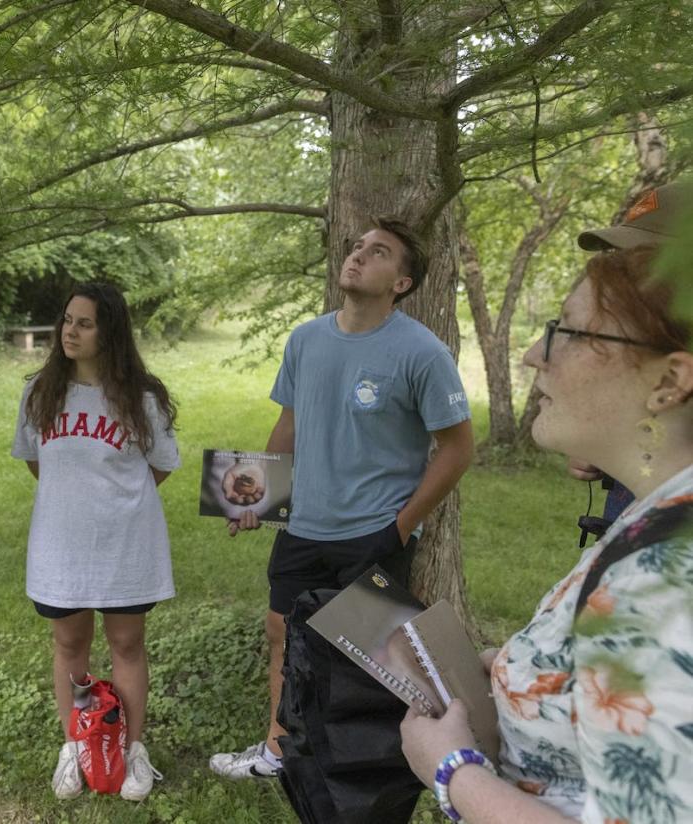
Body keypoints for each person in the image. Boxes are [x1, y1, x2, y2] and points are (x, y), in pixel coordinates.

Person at [401, 238, 693, 822]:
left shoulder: (661, 580)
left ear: (669, 382)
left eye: (570, 332)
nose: (535, 354)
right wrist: (534, 673)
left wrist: (453, 771)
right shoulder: (660, 515)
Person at [210, 216, 475, 780]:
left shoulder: (421, 353)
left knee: (370, 657)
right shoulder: (307, 339)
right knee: (282, 633)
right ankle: (279, 753)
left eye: (377, 253)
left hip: (374, 532)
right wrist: (256, 496)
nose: (357, 256)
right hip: (303, 525)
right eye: (357, 247)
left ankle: (367, 765)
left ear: (401, 283)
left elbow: (456, 449)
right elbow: (290, 424)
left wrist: (399, 529)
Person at [11, 282, 180, 802]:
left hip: (126, 543)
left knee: (127, 643)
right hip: (61, 545)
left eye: (84, 323)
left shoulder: (142, 397)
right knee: (70, 644)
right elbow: (39, 463)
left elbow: (160, 467)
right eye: (67, 320)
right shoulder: (41, 392)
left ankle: (131, 749)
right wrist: (78, 502)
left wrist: (115, 503)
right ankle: (77, 745)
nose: (70, 331)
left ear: (110, 332)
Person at [566, 182, 687, 530]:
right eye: (619, 255)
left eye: (639, 256)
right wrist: (600, 447)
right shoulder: (652, 335)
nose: (621, 270)